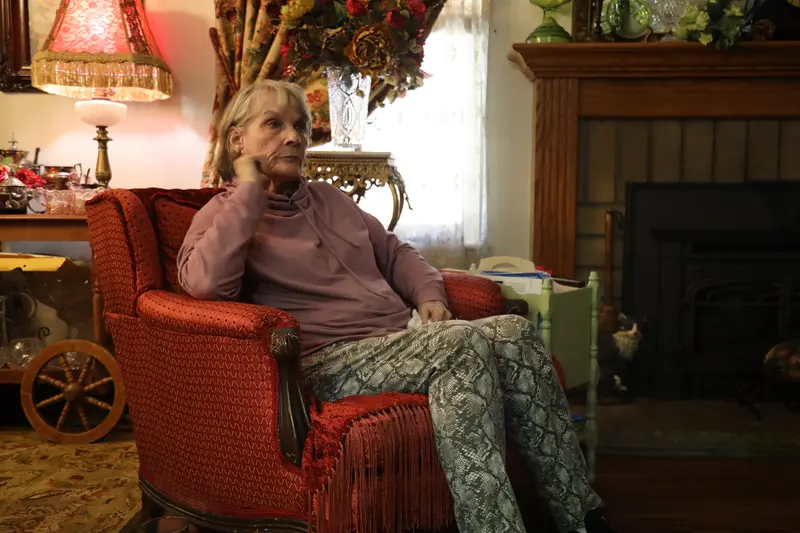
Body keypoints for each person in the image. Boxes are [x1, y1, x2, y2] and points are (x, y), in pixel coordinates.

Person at [177, 79, 616, 533]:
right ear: (237, 139)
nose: (293, 137)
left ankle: (581, 515)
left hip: (397, 341)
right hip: (324, 359)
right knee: (460, 344)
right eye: (274, 124)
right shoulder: (223, 214)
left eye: (301, 126)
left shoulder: (332, 201)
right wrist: (251, 191)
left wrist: (430, 296)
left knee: (514, 333)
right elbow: (206, 286)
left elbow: (399, 253)